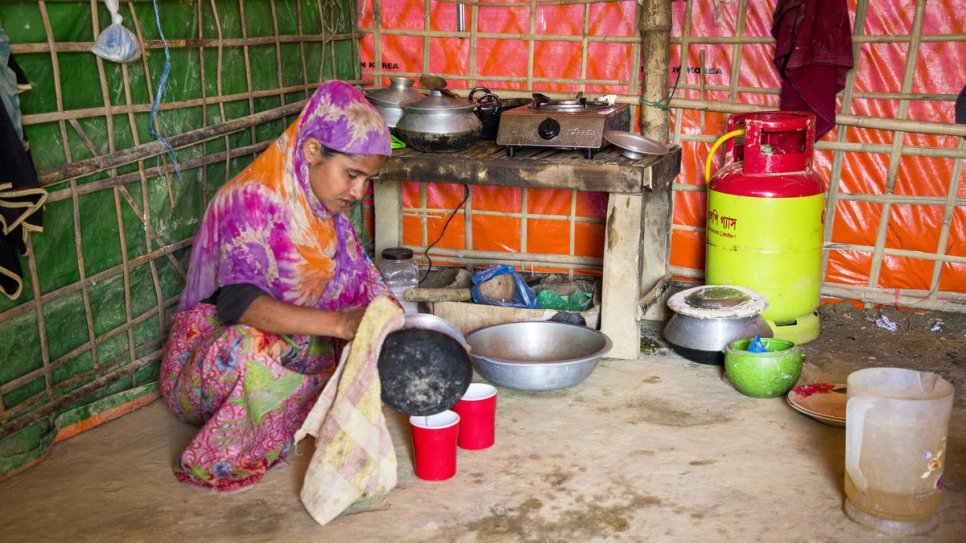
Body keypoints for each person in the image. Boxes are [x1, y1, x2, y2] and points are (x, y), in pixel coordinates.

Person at [160, 80, 394, 492]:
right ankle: (275, 414)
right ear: (311, 151)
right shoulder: (248, 201)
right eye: (353, 175)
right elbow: (239, 305)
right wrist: (341, 325)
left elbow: (366, 286)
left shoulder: (324, 211)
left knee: (355, 347)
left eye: (368, 180)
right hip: (214, 359)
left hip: (291, 344)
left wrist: (402, 326)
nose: (359, 192)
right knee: (253, 347)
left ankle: (295, 398)